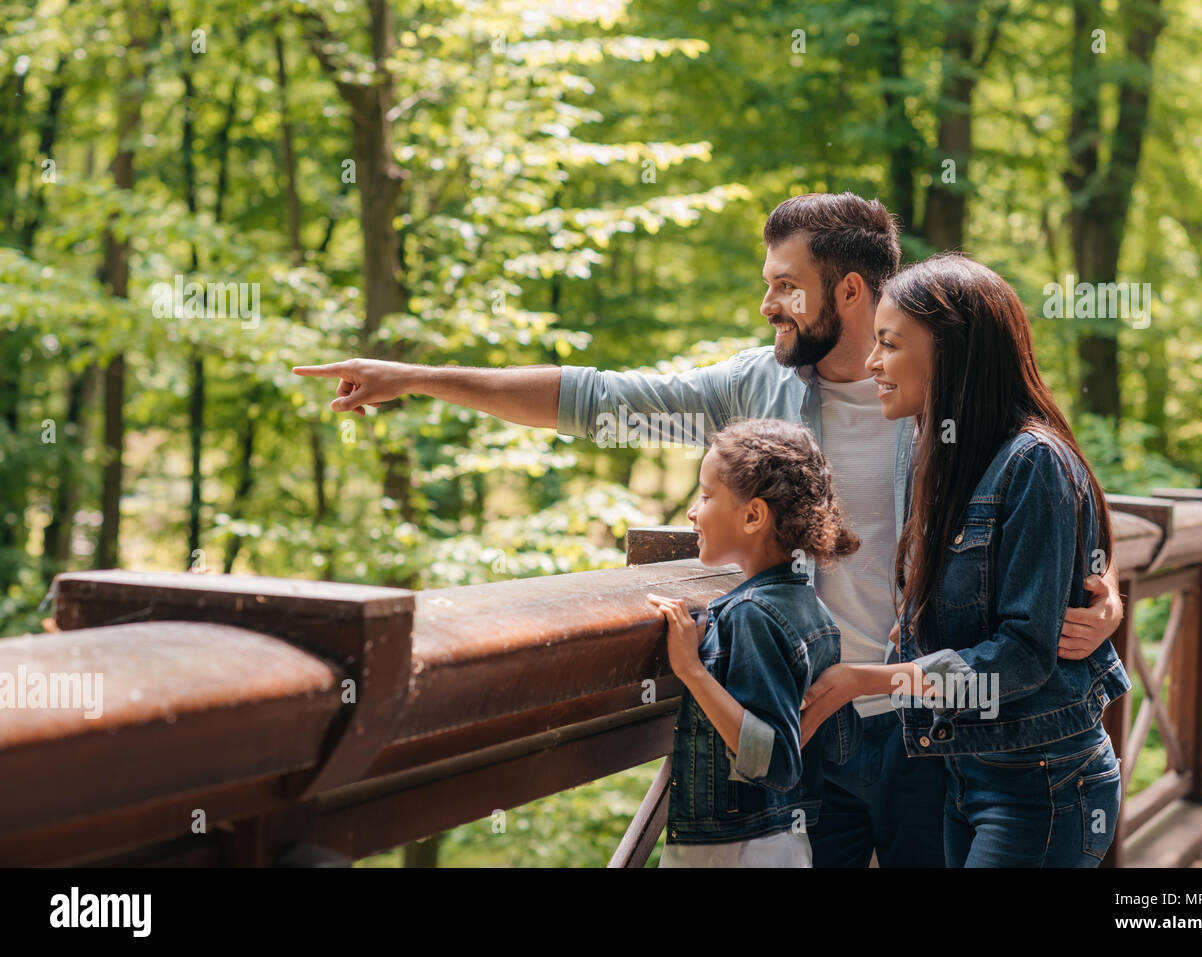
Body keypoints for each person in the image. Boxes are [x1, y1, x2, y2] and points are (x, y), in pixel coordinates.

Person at [292, 191, 1125, 867]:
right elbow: (600, 401)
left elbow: (1046, 492)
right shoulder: (754, 388)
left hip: (938, 733)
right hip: (810, 727)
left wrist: (1103, 591)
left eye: (785, 284)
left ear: (849, 291)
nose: (767, 303)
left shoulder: (941, 385)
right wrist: (421, 378)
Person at [799, 253, 1132, 866]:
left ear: (951, 349)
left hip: (1042, 780)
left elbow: (1023, 657)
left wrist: (869, 680)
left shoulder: (1034, 461)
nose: (872, 363)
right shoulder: (941, 450)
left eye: (889, 344)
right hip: (965, 770)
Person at [646, 418, 860, 866]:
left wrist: (692, 670)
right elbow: (838, 745)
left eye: (705, 497)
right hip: (781, 843)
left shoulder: (751, 615)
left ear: (753, 515)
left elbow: (776, 761)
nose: (692, 511)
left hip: (734, 850)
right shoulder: (809, 606)